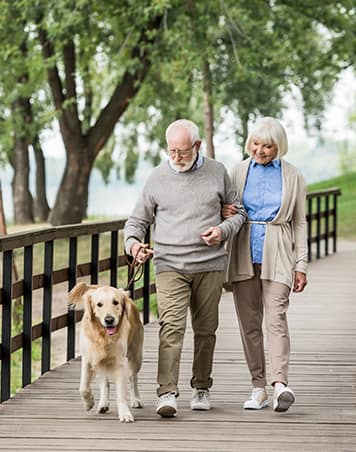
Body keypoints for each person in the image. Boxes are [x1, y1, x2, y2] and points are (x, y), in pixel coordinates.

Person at [124, 119, 246, 417]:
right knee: (172, 327)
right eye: (171, 151)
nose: (176, 157)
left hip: (209, 264)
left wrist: (222, 230)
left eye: (182, 151)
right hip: (169, 264)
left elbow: (239, 212)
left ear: (197, 146)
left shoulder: (217, 172)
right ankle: (167, 392)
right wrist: (134, 246)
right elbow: (136, 222)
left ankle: (201, 386)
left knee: (206, 330)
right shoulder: (156, 178)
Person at [223, 116, 308, 413]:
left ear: (279, 147)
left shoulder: (293, 175)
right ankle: (258, 387)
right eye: (256, 144)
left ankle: (279, 384)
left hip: (279, 252)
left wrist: (301, 264)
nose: (260, 150)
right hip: (244, 251)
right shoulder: (236, 171)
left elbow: (299, 222)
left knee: (276, 319)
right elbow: (227, 211)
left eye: (268, 146)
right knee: (249, 324)